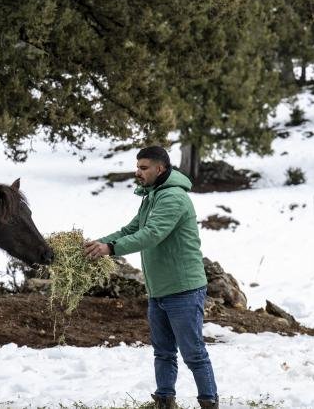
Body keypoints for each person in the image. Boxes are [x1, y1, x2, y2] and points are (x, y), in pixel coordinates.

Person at [84, 146, 218, 409]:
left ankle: (209, 402)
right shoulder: (152, 196)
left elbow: (152, 234)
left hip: (183, 289)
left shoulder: (173, 197)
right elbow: (130, 230)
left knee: (193, 353)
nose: (138, 172)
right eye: (137, 167)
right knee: (163, 351)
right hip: (159, 289)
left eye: (143, 168)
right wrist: (96, 244)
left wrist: (110, 249)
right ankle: (164, 401)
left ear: (160, 168)